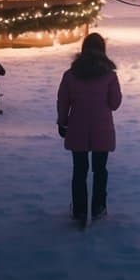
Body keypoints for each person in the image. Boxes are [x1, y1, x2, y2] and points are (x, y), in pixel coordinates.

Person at [56, 33, 122, 229]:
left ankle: (79, 209)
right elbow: (115, 103)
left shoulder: (70, 75)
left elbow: (63, 102)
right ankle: (99, 207)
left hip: (77, 127)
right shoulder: (110, 76)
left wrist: (63, 122)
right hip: (102, 128)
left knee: (79, 170)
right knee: (100, 170)